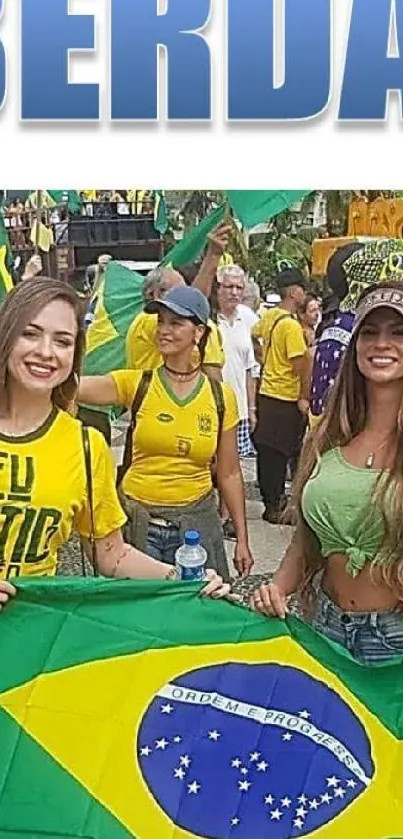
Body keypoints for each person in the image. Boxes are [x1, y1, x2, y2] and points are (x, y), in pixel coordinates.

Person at [0, 278, 231, 611]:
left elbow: (111, 553)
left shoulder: (86, 446)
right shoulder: (137, 384)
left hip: (34, 633)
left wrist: (182, 575)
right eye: (30, 334)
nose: (46, 352)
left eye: (63, 341)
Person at [252, 280, 403, 664]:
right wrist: (276, 590)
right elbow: (305, 542)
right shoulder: (327, 436)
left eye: (397, 332)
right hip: (325, 625)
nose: (381, 344)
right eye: (369, 332)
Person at [78, 286, 254, 582]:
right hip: (138, 524)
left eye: (176, 323)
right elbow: (69, 386)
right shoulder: (138, 384)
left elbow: (230, 473)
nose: (164, 330)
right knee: (137, 618)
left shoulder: (220, 397)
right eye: (161, 321)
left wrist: (243, 540)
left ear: (198, 332)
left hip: (196, 529)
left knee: (195, 616)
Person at [252, 269, 309, 524]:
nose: (304, 295)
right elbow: (301, 365)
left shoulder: (271, 316)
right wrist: (304, 396)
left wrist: (264, 359)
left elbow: (254, 334)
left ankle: (271, 501)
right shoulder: (290, 326)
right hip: (285, 397)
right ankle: (275, 506)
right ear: (294, 292)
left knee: (268, 453)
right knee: (281, 453)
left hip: (266, 394)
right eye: (303, 290)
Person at [125, 266, 224, 381]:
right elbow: (213, 375)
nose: (163, 329)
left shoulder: (139, 320)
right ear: (153, 293)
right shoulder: (149, 319)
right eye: (175, 292)